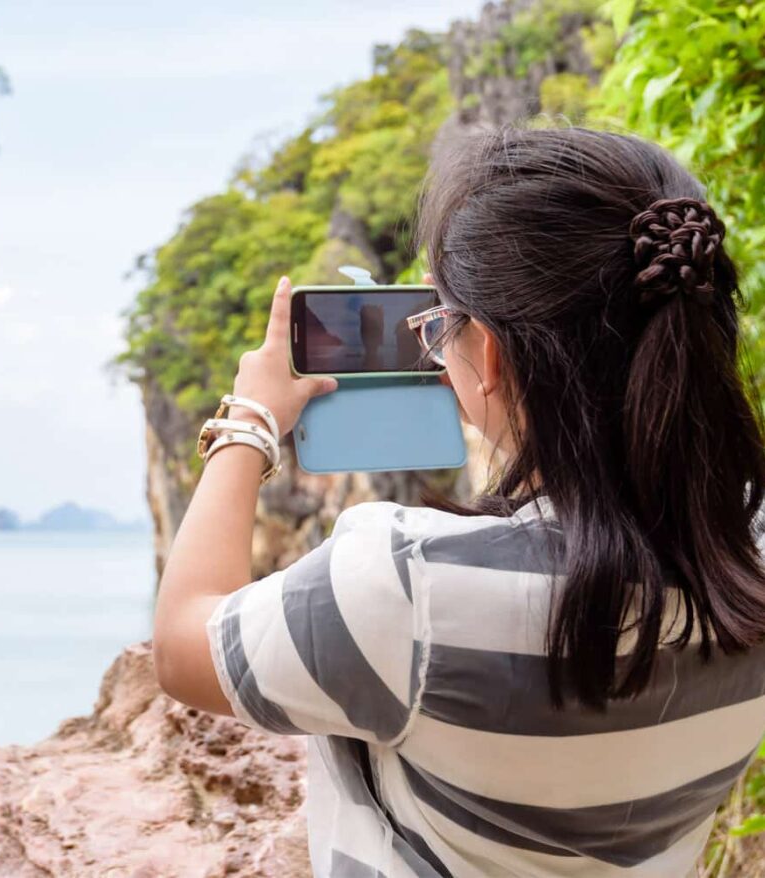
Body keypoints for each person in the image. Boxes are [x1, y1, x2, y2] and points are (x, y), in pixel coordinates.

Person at [152, 127, 765, 876]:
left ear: (494, 358)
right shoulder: (747, 556)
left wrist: (248, 422)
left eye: (443, 326)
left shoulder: (407, 586)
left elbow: (184, 648)